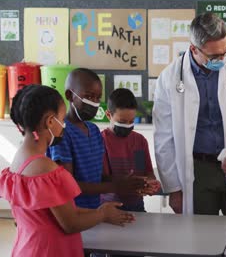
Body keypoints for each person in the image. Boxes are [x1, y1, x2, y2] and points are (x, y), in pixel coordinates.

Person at [153, 13, 226, 216]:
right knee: (201, 240)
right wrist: (173, 189)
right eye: (215, 56)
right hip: (196, 170)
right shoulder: (169, 78)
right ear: (194, 49)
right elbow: (164, 137)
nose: (223, 59)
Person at [0, 85, 134, 257]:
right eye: (62, 120)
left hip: (27, 247)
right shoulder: (46, 169)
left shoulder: (17, 162)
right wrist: (102, 214)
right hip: (51, 250)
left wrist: (101, 211)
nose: (63, 126)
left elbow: (59, 212)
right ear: (50, 121)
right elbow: (71, 223)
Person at [47, 68, 146, 209]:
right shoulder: (61, 133)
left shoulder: (93, 130)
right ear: (70, 95)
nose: (94, 102)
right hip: (75, 213)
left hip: (94, 211)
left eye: (98, 98)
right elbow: (67, 184)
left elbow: (97, 176)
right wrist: (115, 186)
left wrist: (125, 182)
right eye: (89, 96)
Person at [101, 88, 161, 212]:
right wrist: (126, 183)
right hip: (109, 210)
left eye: (131, 121)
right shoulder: (101, 141)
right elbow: (102, 179)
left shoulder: (139, 141)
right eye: (122, 121)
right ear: (108, 115)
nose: (128, 125)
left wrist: (150, 184)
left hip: (136, 208)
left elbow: (146, 173)